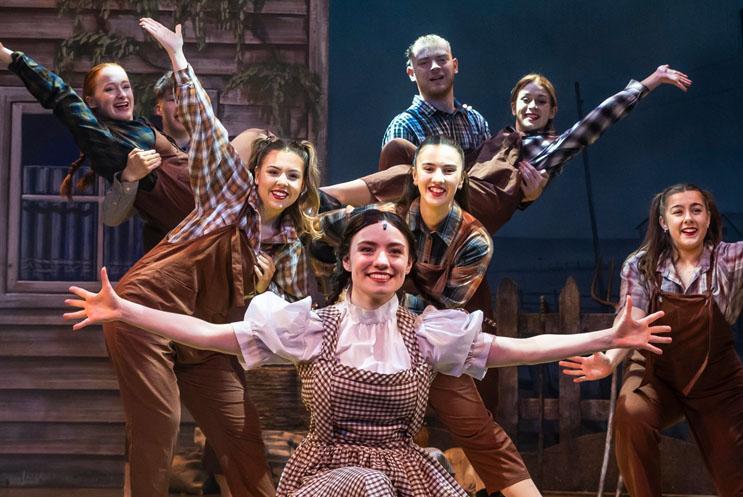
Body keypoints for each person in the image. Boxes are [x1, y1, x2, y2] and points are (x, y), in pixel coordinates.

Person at [64, 208, 672, 497]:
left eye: (395, 252)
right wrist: (126, 310)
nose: (381, 259)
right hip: (329, 475)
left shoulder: (428, 333)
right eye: (368, 249)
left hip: (408, 474)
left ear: (407, 267)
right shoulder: (309, 327)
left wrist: (609, 338)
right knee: (364, 489)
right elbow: (206, 333)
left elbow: (520, 348)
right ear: (349, 259)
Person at [92, 17, 322, 497]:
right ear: (255, 174)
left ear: (303, 187)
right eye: (273, 171)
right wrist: (179, 58)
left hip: (206, 338)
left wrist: (266, 290)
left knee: (241, 434)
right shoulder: (229, 197)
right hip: (145, 316)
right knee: (159, 425)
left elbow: (297, 316)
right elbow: (208, 130)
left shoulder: (291, 244)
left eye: (293, 176)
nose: (282, 181)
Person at [326, 63, 692, 235]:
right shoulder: (494, 137)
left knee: (410, 174)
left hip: (484, 204)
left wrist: (649, 82)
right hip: (459, 193)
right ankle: (383, 226)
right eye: (526, 100)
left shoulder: (550, 147)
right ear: (514, 105)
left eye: (541, 102)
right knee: (400, 150)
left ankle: (327, 198)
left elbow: (598, 119)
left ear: (552, 111)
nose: (532, 107)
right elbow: (459, 160)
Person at [559, 184, 743, 497]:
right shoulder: (642, 265)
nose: (688, 218)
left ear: (708, 218)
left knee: (736, 477)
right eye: (678, 211)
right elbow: (629, 323)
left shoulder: (729, 260)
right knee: (631, 413)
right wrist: (609, 359)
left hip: (717, 380)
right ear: (662, 222)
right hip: (655, 372)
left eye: (697, 210)